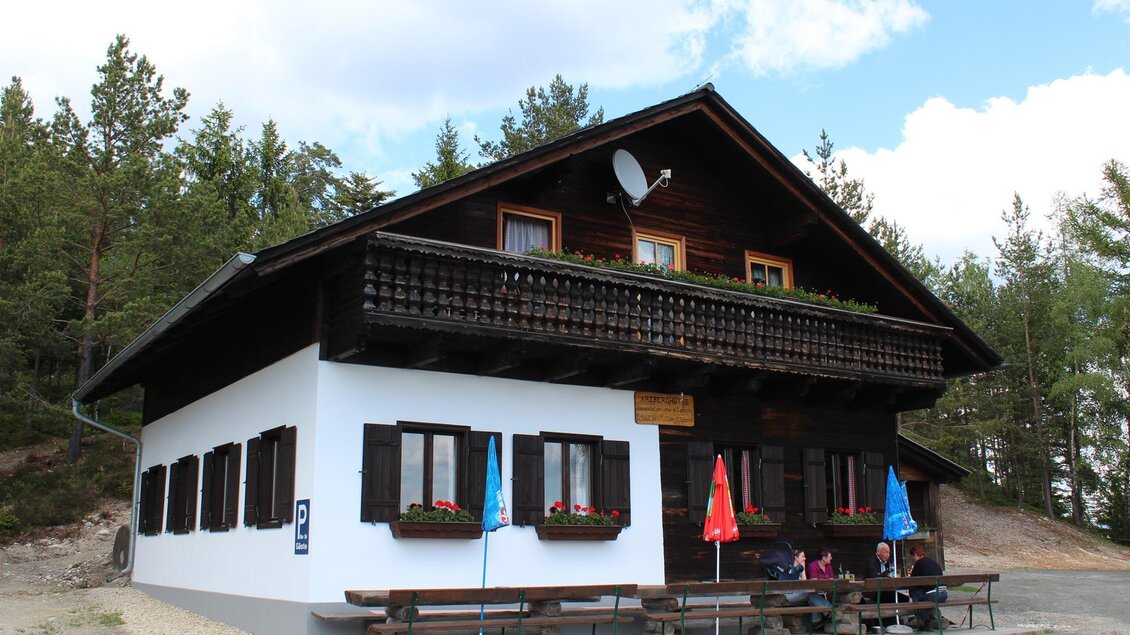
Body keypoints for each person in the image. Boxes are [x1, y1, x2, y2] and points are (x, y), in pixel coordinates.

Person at [779, 549, 832, 628]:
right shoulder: (789, 568)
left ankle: (817, 619)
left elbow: (805, 585)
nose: (805, 559)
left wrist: (802, 569)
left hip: (799, 594)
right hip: (789, 596)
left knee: (811, 596)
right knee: (810, 593)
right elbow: (804, 584)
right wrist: (803, 568)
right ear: (796, 558)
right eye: (803, 557)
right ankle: (828, 610)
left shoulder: (799, 569)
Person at [908, 544, 947, 630]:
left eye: (912, 557)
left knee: (916, 596)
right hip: (944, 593)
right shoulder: (932, 562)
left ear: (915, 554)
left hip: (934, 594)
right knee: (921, 596)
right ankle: (931, 619)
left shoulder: (919, 563)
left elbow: (912, 581)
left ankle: (926, 622)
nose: (913, 560)